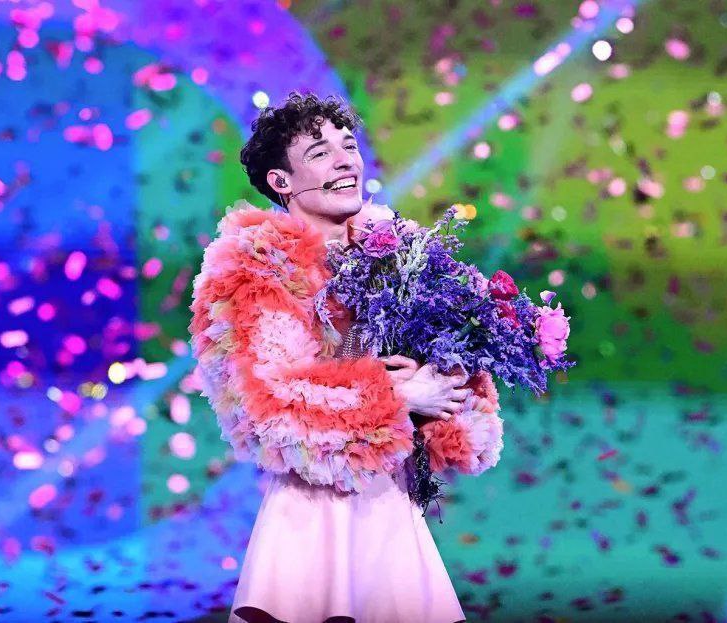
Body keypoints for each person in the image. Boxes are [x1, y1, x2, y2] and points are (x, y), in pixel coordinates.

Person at [189, 92, 503, 623]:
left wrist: (444, 382)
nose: (345, 162)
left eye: (349, 146)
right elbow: (267, 410)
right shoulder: (254, 270)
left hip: (392, 514)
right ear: (282, 182)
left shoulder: (401, 258)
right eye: (319, 153)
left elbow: (460, 398)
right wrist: (395, 396)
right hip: (314, 522)